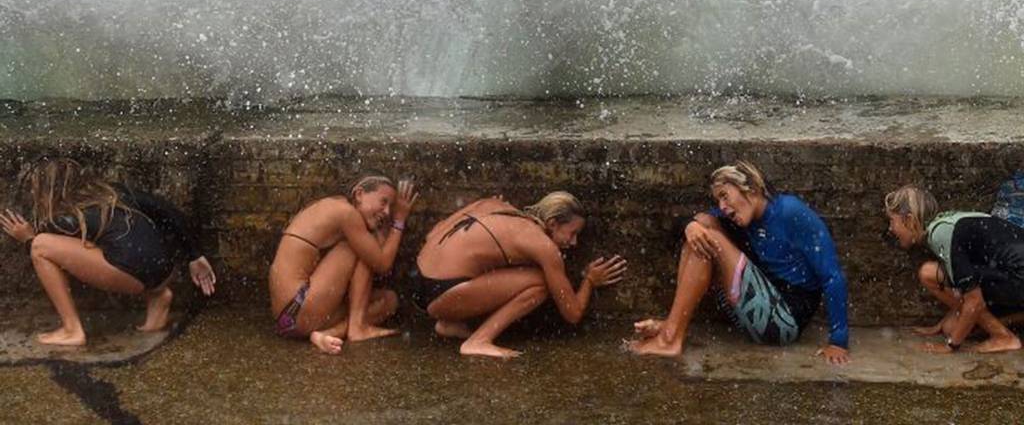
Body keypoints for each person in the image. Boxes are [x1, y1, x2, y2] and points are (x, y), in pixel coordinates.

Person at [628, 160, 850, 364]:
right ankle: (671, 328)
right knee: (701, 227)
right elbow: (687, 224)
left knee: (709, 237)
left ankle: (669, 338)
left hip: (785, 322)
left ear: (750, 187)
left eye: (725, 195)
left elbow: (832, 276)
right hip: (753, 311)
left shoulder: (790, 211)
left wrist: (838, 341)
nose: (723, 206)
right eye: (718, 200)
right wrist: (689, 226)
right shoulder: (736, 219)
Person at [0, 157, 216, 347]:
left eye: (34, 190)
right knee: (114, 244)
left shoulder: (62, 220)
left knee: (41, 245)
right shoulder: (114, 191)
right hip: (166, 268)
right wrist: (194, 256)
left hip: (133, 275)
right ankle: (158, 295)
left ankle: (72, 330)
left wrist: (28, 239)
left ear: (47, 192)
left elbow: (61, 253)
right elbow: (165, 210)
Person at [412, 191, 627, 358]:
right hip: (441, 292)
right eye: (572, 233)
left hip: (417, 282)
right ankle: (478, 341)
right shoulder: (544, 247)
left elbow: (434, 232)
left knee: (495, 262)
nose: (574, 243)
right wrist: (589, 280)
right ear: (552, 223)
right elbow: (572, 314)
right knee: (539, 282)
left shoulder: (494, 204)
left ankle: (450, 323)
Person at [268, 175, 417, 354]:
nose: (386, 212)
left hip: (289, 319)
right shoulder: (346, 213)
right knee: (363, 249)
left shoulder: (333, 206)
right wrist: (399, 220)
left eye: (391, 208)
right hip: (299, 306)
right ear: (359, 194)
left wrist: (382, 227)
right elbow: (382, 263)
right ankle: (356, 328)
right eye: (383, 202)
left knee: (388, 302)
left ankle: (326, 334)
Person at [884, 185, 1024, 353]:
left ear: (909, 220)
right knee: (951, 327)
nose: (890, 229)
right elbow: (967, 280)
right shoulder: (950, 221)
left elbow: (974, 300)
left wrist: (950, 345)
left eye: (892, 221)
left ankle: (1003, 337)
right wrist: (942, 323)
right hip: (1013, 274)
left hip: (1018, 277)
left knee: (928, 273)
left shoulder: (941, 234)